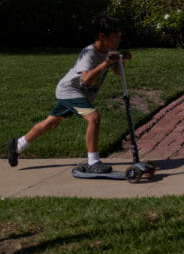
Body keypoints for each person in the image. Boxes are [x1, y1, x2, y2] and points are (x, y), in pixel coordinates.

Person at [6, 16, 131, 173]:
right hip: (69, 91)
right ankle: (93, 162)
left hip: (77, 93)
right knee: (94, 117)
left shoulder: (109, 52)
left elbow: (119, 73)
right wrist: (106, 62)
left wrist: (120, 59)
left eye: (120, 35)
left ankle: (18, 145)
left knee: (52, 122)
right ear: (102, 36)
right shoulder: (89, 53)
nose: (120, 39)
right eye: (116, 35)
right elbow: (86, 80)